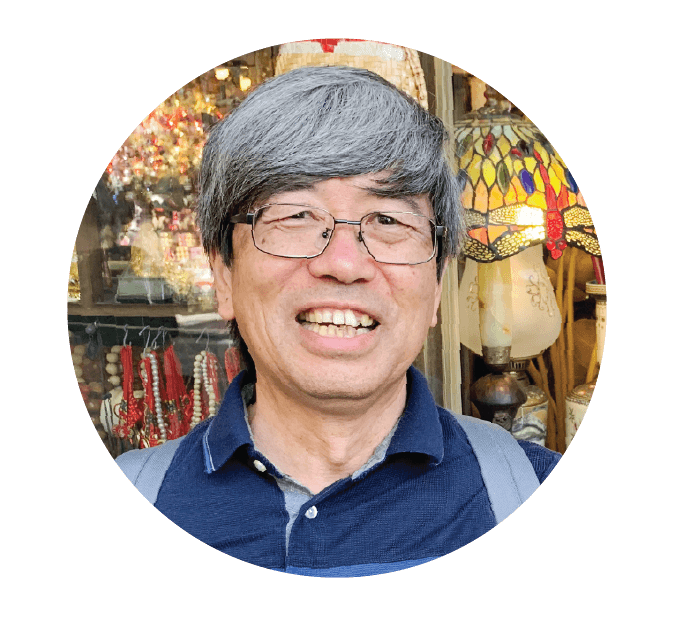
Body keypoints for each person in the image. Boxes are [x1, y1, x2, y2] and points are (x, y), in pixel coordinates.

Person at [116, 65, 561, 576]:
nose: (345, 264)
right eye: (295, 215)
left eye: (389, 220)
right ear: (223, 275)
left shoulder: (535, 496)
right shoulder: (126, 509)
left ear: (437, 284)